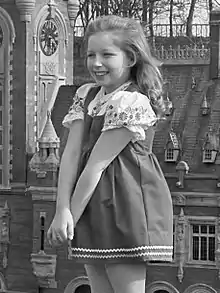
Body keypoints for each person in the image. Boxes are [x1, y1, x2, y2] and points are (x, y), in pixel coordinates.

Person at [47, 15, 173, 293]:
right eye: (91, 54)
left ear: (130, 58)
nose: (96, 63)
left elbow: (96, 165)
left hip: (125, 204)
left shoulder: (131, 101)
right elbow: (72, 154)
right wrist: (62, 209)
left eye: (107, 54)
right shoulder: (87, 95)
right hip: (92, 202)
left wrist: (70, 217)